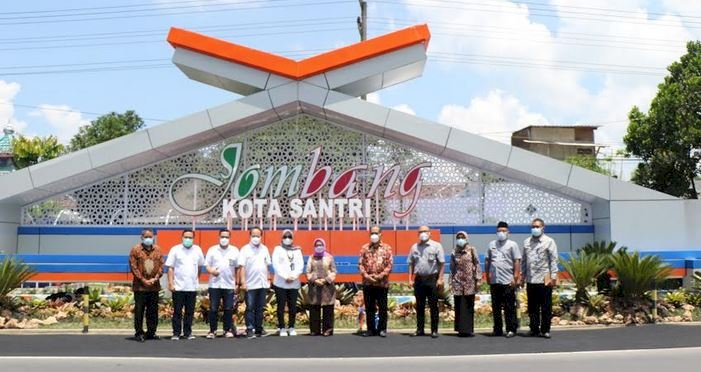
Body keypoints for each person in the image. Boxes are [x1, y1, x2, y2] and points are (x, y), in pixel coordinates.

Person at [522, 218, 559, 339]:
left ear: (543, 227)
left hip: (545, 278)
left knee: (546, 306)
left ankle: (545, 330)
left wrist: (554, 277)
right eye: (533, 226)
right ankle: (534, 329)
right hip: (531, 279)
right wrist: (522, 276)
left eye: (537, 226)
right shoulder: (527, 242)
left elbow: (553, 260)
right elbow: (524, 261)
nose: (535, 229)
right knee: (532, 307)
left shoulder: (549, 241)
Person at [165, 229, 205, 340]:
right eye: (186, 237)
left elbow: (200, 266)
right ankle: (176, 333)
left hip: (191, 287)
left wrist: (196, 279)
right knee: (177, 311)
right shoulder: (175, 250)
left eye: (190, 237)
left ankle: (188, 333)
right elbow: (170, 268)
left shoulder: (197, 250)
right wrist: (171, 283)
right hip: (178, 286)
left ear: (193, 238)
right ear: (182, 237)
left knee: (190, 312)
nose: (188, 239)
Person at [484, 221, 521, 338]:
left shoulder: (512, 245)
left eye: (504, 231)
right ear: (496, 232)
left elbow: (517, 261)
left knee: (509, 307)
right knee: (496, 307)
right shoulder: (491, 244)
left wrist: (515, 277)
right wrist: (487, 275)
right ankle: (497, 329)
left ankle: (511, 329)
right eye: (499, 230)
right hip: (495, 280)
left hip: (508, 281)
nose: (501, 233)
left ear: (508, 232)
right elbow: (487, 260)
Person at [408, 225, 445, 339]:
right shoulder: (414, 247)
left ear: (430, 233)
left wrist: (440, 278)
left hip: (432, 279)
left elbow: (442, 263)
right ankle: (420, 329)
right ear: (418, 234)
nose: (423, 233)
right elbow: (411, 263)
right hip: (419, 279)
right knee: (420, 306)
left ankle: (434, 330)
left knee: (433, 306)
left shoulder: (436, 246)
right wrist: (410, 278)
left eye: (425, 231)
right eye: (420, 232)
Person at [129, 228, 164, 342]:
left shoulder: (158, 250)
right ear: (142, 237)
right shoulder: (136, 250)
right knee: (139, 310)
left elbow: (161, 266)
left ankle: (151, 332)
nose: (148, 239)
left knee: (153, 311)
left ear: (153, 237)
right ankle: (139, 333)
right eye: (146, 237)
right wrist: (143, 280)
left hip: (154, 286)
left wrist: (155, 278)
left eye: (150, 236)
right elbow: (133, 267)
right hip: (140, 287)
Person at [358, 225, 393, 337]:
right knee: (369, 307)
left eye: (376, 233)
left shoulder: (387, 248)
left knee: (382, 308)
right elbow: (360, 264)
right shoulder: (365, 248)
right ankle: (370, 330)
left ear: (381, 234)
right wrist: (367, 276)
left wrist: (380, 276)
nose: (374, 235)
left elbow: (389, 265)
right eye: (372, 233)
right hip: (368, 283)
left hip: (382, 283)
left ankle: (382, 329)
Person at [205, 229, 240, 339]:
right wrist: (211, 271)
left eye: (226, 237)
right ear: (219, 237)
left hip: (229, 284)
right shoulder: (212, 250)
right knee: (213, 308)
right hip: (215, 285)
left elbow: (238, 268)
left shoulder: (234, 251)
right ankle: (212, 331)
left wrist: (237, 283)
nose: (224, 239)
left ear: (230, 238)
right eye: (222, 237)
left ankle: (227, 330)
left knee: (228, 308)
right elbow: (207, 265)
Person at [238, 227, 272, 339]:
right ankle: (249, 329)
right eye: (254, 236)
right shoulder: (245, 249)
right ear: (250, 236)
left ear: (261, 236)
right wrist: (243, 282)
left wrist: (268, 279)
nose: (256, 238)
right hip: (250, 284)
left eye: (258, 236)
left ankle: (259, 329)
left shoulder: (264, 249)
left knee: (260, 308)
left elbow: (267, 266)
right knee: (250, 308)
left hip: (262, 284)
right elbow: (242, 267)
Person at [272, 229, 304, 337]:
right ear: (282, 238)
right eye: (285, 236)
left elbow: (300, 265)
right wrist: (285, 276)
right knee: (280, 306)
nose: (287, 239)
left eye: (289, 236)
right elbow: (275, 265)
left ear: (292, 238)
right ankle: (281, 327)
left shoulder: (297, 250)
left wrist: (293, 276)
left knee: (292, 306)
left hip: (294, 283)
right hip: (280, 283)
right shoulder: (277, 249)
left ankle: (291, 327)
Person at [450, 231, 482, 337]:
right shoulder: (454, 251)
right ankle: (460, 329)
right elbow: (452, 267)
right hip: (458, 282)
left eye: (462, 237)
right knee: (459, 305)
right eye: (458, 237)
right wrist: (451, 281)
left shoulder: (472, 250)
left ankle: (468, 330)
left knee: (468, 305)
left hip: (469, 282)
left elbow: (477, 264)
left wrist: (478, 279)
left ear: (466, 238)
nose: (460, 239)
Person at [305, 238, 337, 336]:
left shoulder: (329, 257)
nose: (319, 247)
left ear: (324, 246)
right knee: (314, 308)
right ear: (314, 246)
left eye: (321, 245)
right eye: (317, 245)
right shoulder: (311, 258)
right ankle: (315, 330)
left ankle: (328, 329)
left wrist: (325, 279)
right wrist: (314, 280)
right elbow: (308, 272)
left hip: (327, 286)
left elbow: (334, 271)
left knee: (328, 308)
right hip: (314, 286)